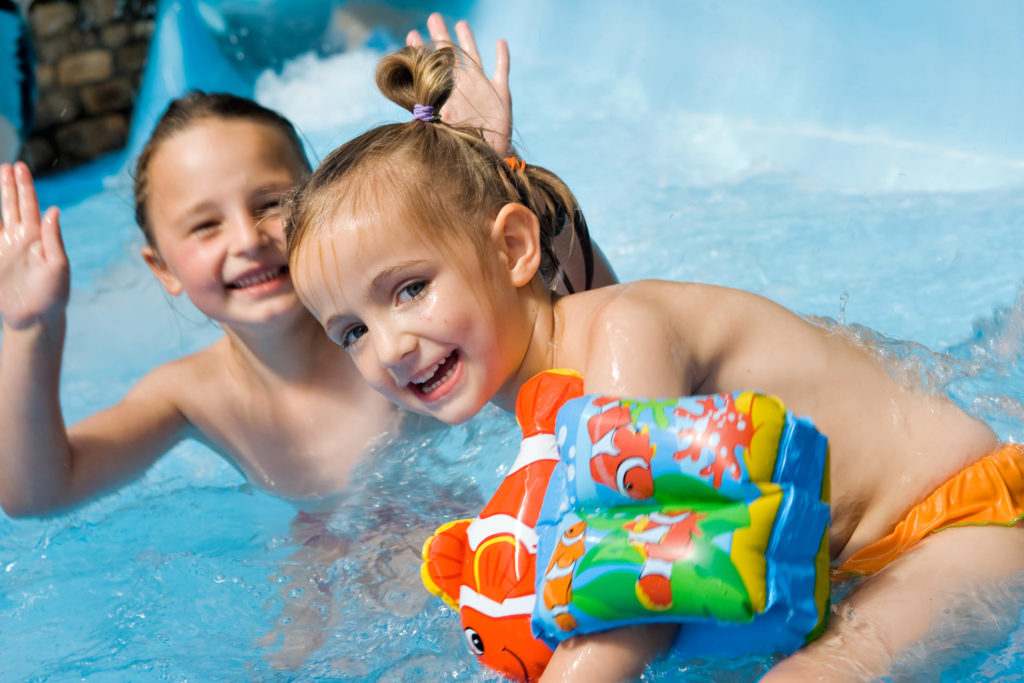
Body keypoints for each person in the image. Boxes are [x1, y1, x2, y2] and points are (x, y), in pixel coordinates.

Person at [285, 43, 1024, 681]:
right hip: (841, 568)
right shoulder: (561, 369)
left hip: (959, 524)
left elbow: (635, 591)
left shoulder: (628, 335)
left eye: (411, 289)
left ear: (513, 248)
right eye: (350, 330)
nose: (390, 346)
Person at [0, 14, 615, 521]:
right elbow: (38, 494)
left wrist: (495, 175)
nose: (247, 238)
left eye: (271, 204)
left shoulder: (410, 328)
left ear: (320, 206)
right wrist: (30, 330)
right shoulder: (190, 396)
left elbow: (595, 340)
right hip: (324, 558)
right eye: (205, 225)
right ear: (162, 269)